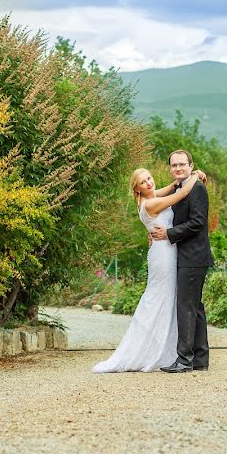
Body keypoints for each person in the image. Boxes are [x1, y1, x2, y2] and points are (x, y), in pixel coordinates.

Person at [92, 167, 200, 373]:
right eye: (143, 182)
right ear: (137, 189)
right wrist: (195, 175)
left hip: (163, 250)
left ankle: (163, 348)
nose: (149, 183)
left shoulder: (149, 197)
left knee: (163, 298)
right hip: (164, 255)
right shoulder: (151, 203)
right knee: (160, 298)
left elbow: (171, 187)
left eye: (149, 178)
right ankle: (153, 351)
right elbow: (181, 193)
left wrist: (181, 179)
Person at [151, 150, 214, 373]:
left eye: (182, 165)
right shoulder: (179, 188)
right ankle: (200, 359)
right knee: (194, 307)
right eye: (174, 165)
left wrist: (168, 233)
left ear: (191, 166)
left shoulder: (196, 188)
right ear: (170, 168)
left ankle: (184, 359)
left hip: (193, 256)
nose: (178, 168)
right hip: (187, 256)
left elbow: (198, 222)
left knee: (186, 307)